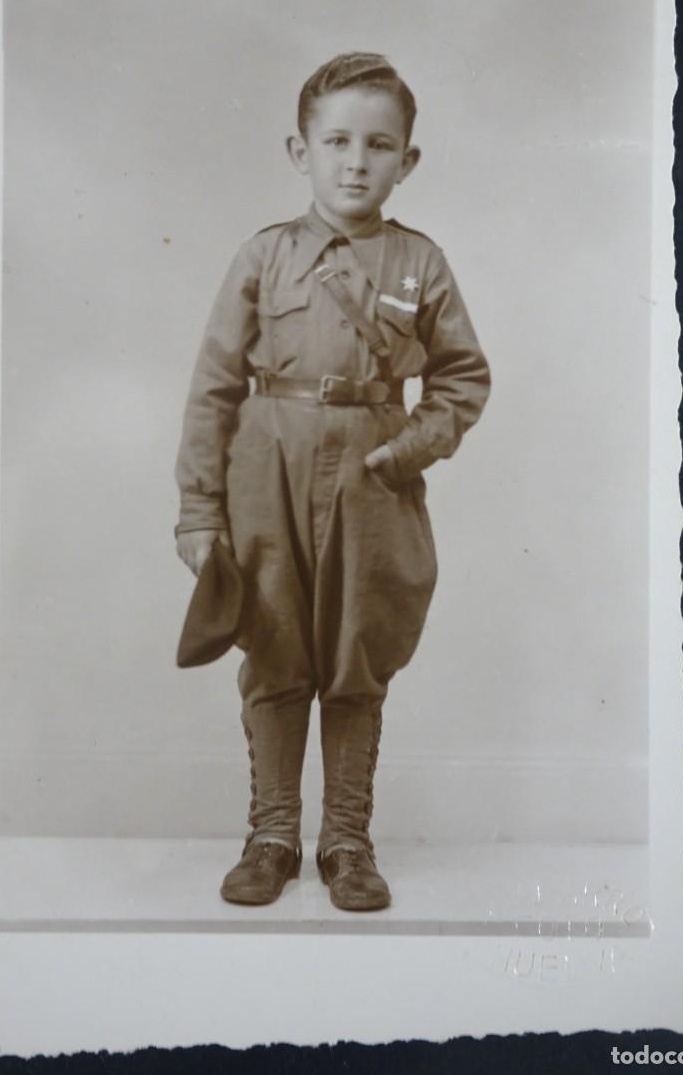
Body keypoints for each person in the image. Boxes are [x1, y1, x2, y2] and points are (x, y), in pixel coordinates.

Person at [174, 52, 491, 911]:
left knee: (357, 658)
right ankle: (271, 834)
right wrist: (199, 512)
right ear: (298, 150)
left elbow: (462, 379)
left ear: (407, 161)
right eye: (337, 141)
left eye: (379, 145)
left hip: (372, 483)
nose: (357, 161)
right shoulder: (263, 256)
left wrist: (411, 448)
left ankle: (346, 841)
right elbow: (212, 389)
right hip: (264, 477)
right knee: (274, 650)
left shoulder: (421, 264)